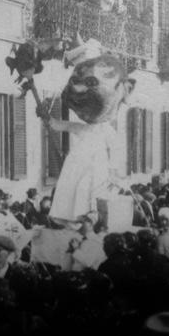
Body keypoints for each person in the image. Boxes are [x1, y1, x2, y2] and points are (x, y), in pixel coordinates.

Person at [38, 45, 135, 227]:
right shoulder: (83, 128)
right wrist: (45, 116)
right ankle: (68, 217)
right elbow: (58, 125)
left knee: (86, 190)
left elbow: (115, 154)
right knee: (72, 188)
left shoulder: (107, 131)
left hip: (96, 166)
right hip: (77, 163)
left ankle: (85, 218)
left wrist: (115, 175)